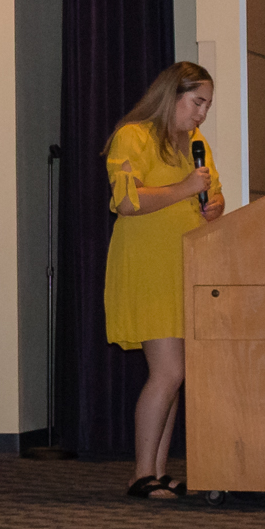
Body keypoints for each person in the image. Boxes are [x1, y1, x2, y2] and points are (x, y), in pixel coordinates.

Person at [102, 61, 224, 500]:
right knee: (168, 371)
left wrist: (214, 206)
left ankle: (156, 469)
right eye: (197, 103)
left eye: (207, 105)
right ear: (172, 95)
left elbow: (212, 193)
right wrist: (187, 189)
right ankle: (140, 473)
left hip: (183, 265)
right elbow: (127, 201)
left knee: (178, 372)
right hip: (147, 267)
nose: (202, 114)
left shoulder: (195, 144)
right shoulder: (132, 136)